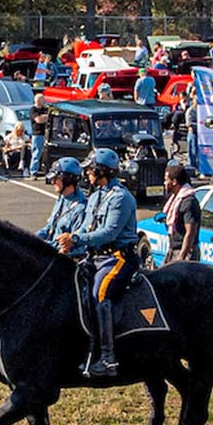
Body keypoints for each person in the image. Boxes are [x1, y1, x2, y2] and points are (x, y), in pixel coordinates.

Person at [58, 148, 139, 379]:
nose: (87, 174)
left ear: (102, 171)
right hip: (95, 257)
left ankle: (108, 357)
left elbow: (109, 233)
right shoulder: (95, 195)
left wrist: (76, 239)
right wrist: (70, 241)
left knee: (99, 294)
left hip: (119, 257)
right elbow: (86, 227)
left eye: (91, 169)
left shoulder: (121, 198)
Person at [36, 158, 87, 242]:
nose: (52, 182)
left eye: (56, 179)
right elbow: (49, 227)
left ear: (67, 179)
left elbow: (73, 244)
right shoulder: (62, 199)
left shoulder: (80, 208)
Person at [161, 162, 200, 263]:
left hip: (185, 253)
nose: (164, 183)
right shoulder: (175, 199)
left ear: (174, 182)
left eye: (166, 180)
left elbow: (190, 232)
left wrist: (181, 257)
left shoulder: (188, 202)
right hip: (173, 249)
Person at [29, 92, 49, 177]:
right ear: (38, 100)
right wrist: (46, 117)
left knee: (45, 153)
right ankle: (33, 171)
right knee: (36, 153)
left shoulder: (45, 109)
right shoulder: (33, 110)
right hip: (37, 134)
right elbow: (39, 120)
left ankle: (43, 169)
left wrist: (45, 116)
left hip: (46, 134)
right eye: (43, 99)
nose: (44, 100)